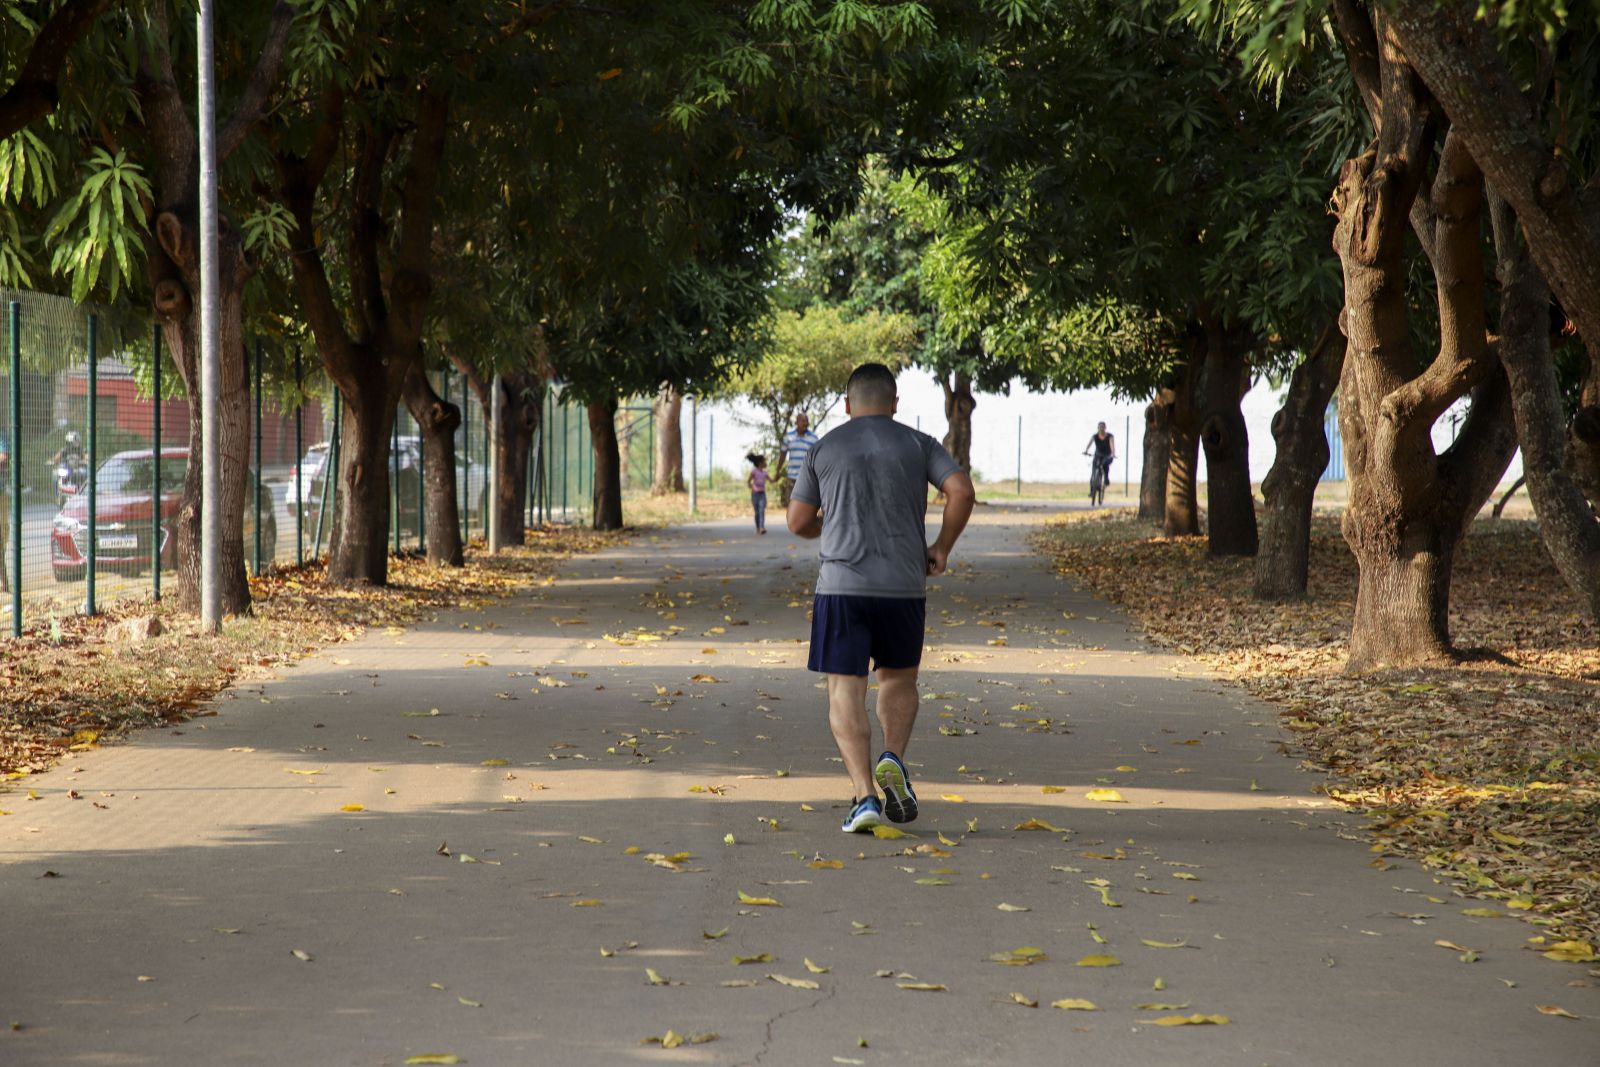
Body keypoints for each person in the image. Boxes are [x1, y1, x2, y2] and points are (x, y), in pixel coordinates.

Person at [788, 363, 977, 833]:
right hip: (902, 587)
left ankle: (864, 796)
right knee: (898, 681)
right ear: (894, 404)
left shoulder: (825, 446)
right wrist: (942, 548)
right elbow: (961, 490)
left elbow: (797, 521)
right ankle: (892, 757)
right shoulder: (918, 443)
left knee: (844, 689)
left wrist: (823, 527)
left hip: (842, 589)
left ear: (848, 404)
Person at [779, 413, 819, 506]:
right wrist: (778, 470)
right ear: (796, 422)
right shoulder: (788, 437)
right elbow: (782, 455)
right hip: (792, 478)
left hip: (807, 478)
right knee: (791, 506)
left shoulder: (814, 438)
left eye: (807, 421)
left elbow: (817, 457)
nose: (805, 423)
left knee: (806, 507)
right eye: (803, 421)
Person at [1084, 421, 1115, 503]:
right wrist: (1086, 451)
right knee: (1094, 473)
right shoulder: (1095, 436)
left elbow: (1112, 445)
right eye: (1100, 427)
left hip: (1107, 455)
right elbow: (1089, 444)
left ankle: (1106, 479)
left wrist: (1113, 454)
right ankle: (1092, 491)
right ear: (1097, 428)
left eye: (1102, 427)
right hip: (1097, 455)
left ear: (1105, 428)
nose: (1101, 428)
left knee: (1105, 465)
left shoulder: (1110, 436)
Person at [745, 452, 770, 535]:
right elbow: (749, 481)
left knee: (761, 510)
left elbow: (772, 480)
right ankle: (758, 528)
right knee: (757, 512)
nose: (766, 463)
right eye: (764, 461)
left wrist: (778, 476)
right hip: (755, 494)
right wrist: (750, 485)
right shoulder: (754, 472)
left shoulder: (765, 473)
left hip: (762, 494)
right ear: (760, 463)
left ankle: (762, 527)